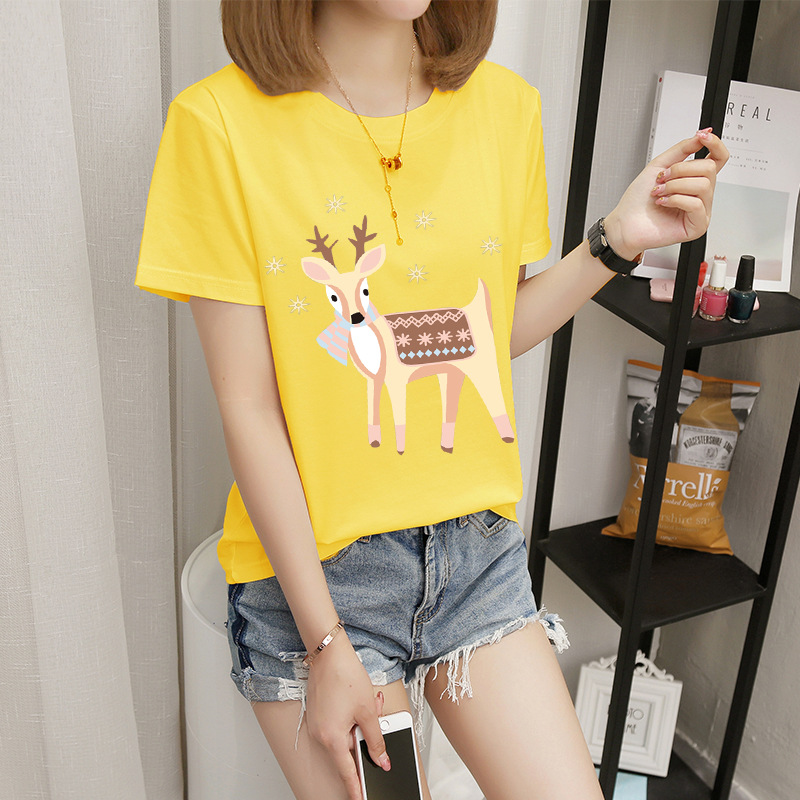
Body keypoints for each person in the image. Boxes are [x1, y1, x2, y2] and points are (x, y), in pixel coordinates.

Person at [135, 1, 728, 798]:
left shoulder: (505, 107)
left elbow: (488, 331)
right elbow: (250, 407)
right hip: (319, 575)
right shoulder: (217, 125)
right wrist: (325, 642)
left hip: (475, 554)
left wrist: (617, 240)